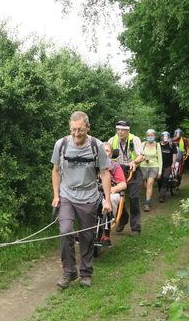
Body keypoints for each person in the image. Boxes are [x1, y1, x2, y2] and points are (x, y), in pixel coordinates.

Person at [51, 111, 112, 288]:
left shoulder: (97, 146)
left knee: (87, 236)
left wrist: (107, 199)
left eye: (80, 130)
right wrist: (56, 195)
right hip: (67, 195)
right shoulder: (61, 145)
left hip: (89, 196)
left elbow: (104, 172)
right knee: (65, 231)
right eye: (73, 130)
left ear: (88, 127)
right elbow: (55, 171)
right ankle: (69, 271)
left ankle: (86, 273)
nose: (76, 134)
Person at [107, 120, 145, 235]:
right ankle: (123, 219)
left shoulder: (134, 139)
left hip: (133, 170)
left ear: (128, 131)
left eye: (123, 130)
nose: (120, 132)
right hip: (118, 171)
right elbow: (106, 154)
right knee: (117, 197)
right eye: (118, 129)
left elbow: (141, 155)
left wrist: (134, 161)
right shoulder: (112, 140)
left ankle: (135, 227)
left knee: (134, 198)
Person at [101, 143, 127, 244]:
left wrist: (113, 189)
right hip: (96, 192)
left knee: (111, 199)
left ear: (111, 154)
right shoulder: (92, 165)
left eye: (107, 151)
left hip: (112, 192)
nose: (104, 153)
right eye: (102, 150)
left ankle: (106, 233)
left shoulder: (115, 166)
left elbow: (123, 184)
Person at [140, 129, 162, 212]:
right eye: (148, 135)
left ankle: (147, 203)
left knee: (150, 183)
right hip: (143, 166)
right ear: (146, 136)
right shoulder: (143, 144)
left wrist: (160, 171)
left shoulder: (157, 145)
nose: (150, 137)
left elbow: (160, 159)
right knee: (145, 185)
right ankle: (147, 197)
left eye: (151, 135)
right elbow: (139, 155)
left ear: (154, 136)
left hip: (154, 166)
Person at [157, 131, 178, 203]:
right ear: (161, 137)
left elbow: (174, 154)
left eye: (167, 136)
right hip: (159, 165)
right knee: (159, 179)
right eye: (163, 136)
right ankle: (161, 192)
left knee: (166, 178)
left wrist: (173, 164)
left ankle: (162, 196)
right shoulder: (158, 145)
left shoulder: (172, 145)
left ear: (169, 137)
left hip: (168, 165)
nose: (165, 137)